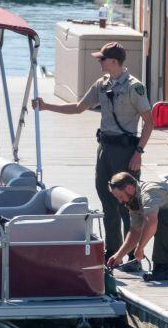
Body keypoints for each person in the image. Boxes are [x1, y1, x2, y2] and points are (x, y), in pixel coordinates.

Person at [32, 41, 153, 261]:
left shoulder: (135, 87)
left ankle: (134, 257)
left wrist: (139, 152)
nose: (99, 61)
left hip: (126, 151)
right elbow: (79, 107)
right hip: (105, 150)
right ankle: (113, 252)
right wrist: (47, 106)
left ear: (114, 61)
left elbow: (149, 122)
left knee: (130, 204)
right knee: (107, 199)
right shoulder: (102, 84)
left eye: (102, 59)